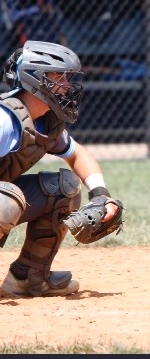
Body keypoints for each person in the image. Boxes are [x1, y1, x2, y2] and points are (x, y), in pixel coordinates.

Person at [0, 39, 121, 299]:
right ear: (34, 80)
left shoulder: (44, 121)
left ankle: (28, 279)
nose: (67, 86)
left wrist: (101, 194)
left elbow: (78, 155)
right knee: (5, 201)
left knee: (62, 189)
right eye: (58, 77)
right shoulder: (4, 120)